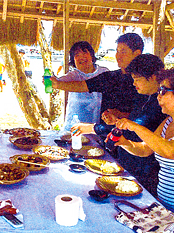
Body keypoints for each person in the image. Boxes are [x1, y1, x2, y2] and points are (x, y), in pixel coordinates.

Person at [72, 54, 166, 196]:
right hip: (128, 166)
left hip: (146, 175)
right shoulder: (142, 96)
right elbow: (134, 125)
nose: (134, 84)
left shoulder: (161, 106)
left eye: (137, 79)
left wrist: (92, 128)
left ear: (152, 77)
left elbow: (136, 131)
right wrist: (116, 121)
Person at [114, 68, 174, 211]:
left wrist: (135, 126)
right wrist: (124, 143)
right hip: (164, 206)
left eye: (164, 91)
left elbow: (170, 151)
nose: (158, 96)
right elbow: (146, 149)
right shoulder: (168, 122)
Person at [51, 33, 143, 126]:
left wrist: (121, 115)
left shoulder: (145, 80)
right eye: (117, 51)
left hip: (133, 137)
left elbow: (146, 115)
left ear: (137, 54)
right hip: (106, 135)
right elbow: (83, 86)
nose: (118, 56)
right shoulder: (110, 77)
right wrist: (57, 84)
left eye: (123, 51)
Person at [52, 41, 109, 130]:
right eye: (77, 55)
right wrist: (52, 81)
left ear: (92, 56)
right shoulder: (74, 75)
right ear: (73, 61)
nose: (81, 57)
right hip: (74, 127)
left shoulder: (104, 72)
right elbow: (59, 81)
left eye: (84, 52)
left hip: (96, 127)